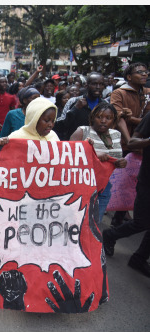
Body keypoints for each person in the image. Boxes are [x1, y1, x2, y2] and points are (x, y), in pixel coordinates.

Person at [102, 110, 150, 278]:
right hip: (147, 180)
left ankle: (139, 258)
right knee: (142, 222)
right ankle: (110, 235)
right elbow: (133, 142)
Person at [69, 102, 127, 223]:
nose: (103, 121)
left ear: (114, 120)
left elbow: (115, 157)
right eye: (99, 117)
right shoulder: (83, 131)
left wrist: (120, 163)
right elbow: (68, 156)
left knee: (94, 224)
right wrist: (94, 156)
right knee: (75, 222)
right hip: (81, 185)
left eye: (108, 118)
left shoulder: (116, 134)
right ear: (92, 117)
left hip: (104, 187)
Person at [109, 62, 150, 227]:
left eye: (146, 72)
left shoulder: (147, 93)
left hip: (142, 145)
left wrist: (132, 119)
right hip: (124, 145)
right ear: (129, 77)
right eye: (140, 72)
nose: (144, 75)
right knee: (122, 184)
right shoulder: (119, 93)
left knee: (135, 186)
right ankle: (116, 222)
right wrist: (129, 142)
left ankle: (124, 219)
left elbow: (146, 119)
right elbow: (117, 117)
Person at [55, 72, 105, 140]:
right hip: (75, 145)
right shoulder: (73, 101)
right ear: (86, 85)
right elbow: (60, 126)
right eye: (94, 84)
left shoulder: (105, 105)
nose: (98, 87)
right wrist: (75, 109)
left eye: (101, 84)